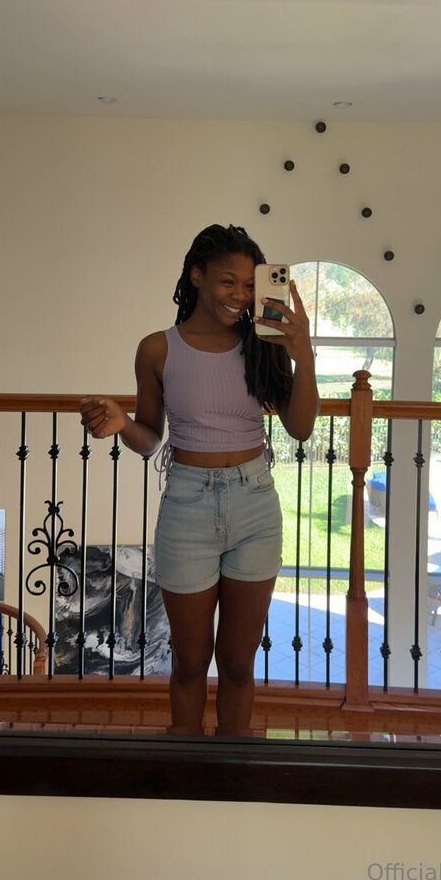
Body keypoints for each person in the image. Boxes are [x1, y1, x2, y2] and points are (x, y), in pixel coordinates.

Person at [79, 224, 318, 737]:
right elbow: (150, 440)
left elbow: (300, 428)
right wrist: (122, 423)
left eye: (250, 285)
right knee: (189, 664)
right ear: (196, 276)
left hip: (255, 505)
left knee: (237, 664)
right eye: (228, 281)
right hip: (187, 506)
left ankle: (232, 769)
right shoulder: (157, 350)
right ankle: (185, 770)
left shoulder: (265, 345)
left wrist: (305, 355)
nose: (241, 295)